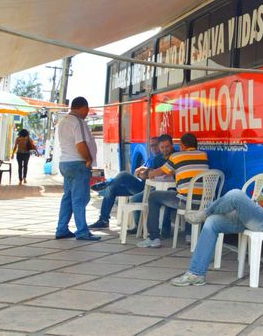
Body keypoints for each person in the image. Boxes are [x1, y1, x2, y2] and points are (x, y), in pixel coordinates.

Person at [170, 144, 263, 286]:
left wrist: (256, 204)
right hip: (259, 216)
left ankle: (205, 212)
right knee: (212, 222)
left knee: (235, 194)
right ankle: (196, 273)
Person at [136, 132, 209, 248]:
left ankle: (154, 238)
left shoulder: (177, 156)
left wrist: (148, 173)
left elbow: (158, 172)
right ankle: (189, 234)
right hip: (205, 202)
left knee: (153, 197)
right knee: (190, 195)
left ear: (182, 145)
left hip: (185, 202)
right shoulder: (204, 155)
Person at [88, 134, 174, 230]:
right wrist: (141, 172)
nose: (154, 148)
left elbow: (147, 174)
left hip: (147, 188)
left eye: (155, 145)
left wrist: (143, 172)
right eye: (151, 145)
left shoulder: (162, 159)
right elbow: (137, 171)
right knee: (112, 189)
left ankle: (107, 183)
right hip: (142, 184)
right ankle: (103, 220)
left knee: (124, 175)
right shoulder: (152, 158)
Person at [55, 97, 100, 241]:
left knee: (68, 197)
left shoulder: (63, 121)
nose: (87, 113)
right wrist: (88, 159)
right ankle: (82, 231)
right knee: (80, 198)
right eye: (87, 110)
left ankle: (62, 229)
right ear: (83, 108)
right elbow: (80, 144)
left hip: (65, 163)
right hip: (77, 164)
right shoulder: (77, 121)